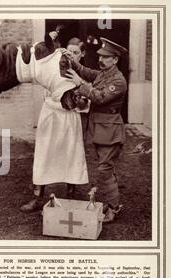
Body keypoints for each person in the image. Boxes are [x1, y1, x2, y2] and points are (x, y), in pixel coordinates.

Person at [19, 31, 89, 213]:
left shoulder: (84, 74)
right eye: (69, 51)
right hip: (50, 114)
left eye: (75, 52)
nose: (70, 55)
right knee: (44, 153)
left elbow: (86, 103)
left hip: (70, 118)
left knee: (72, 154)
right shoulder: (55, 65)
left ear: (82, 54)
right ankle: (37, 198)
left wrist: (79, 92)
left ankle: (71, 196)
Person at [65, 37, 128, 223]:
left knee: (103, 170)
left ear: (115, 60)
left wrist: (79, 84)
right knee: (105, 168)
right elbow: (86, 71)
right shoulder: (103, 73)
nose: (100, 60)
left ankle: (115, 207)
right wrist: (72, 61)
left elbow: (99, 98)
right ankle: (112, 201)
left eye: (106, 57)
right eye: (100, 56)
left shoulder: (118, 80)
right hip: (101, 130)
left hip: (111, 131)